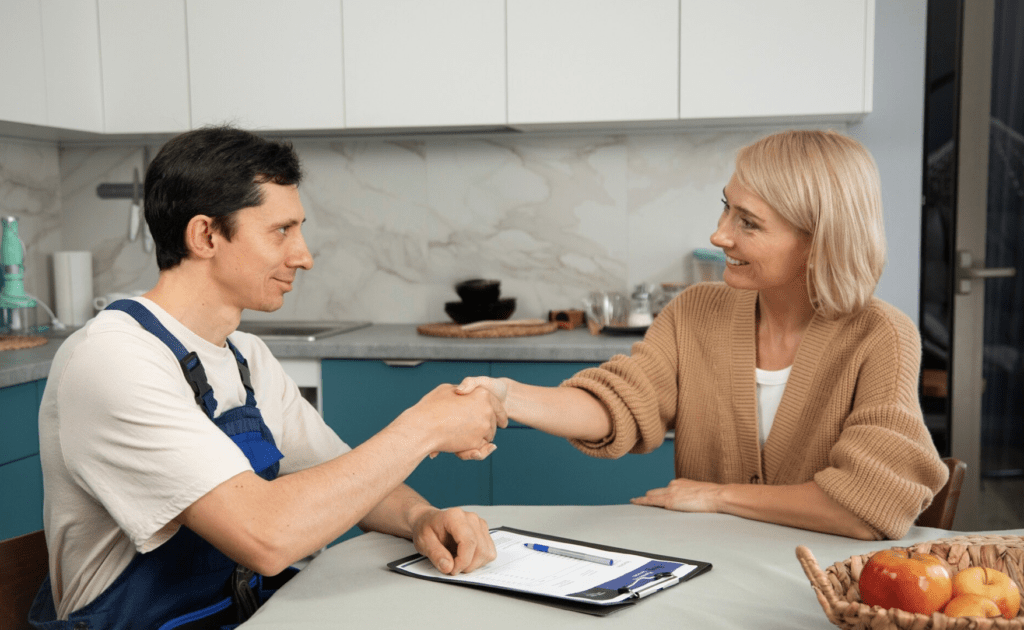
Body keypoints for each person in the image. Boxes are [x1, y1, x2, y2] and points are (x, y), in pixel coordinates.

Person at [31, 126, 506, 630]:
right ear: (206, 235)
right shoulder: (113, 361)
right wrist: (423, 428)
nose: (304, 256)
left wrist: (421, 519)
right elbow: (266, 535)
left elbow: (344, 476)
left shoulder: (245, 356)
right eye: (281, 231)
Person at [457, 129, 948, 541]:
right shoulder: (695, 312)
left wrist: (717, 495)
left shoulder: (880, 336)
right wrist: (507, 396)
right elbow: (622, 402)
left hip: (821, 584)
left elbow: (866, 511)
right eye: (726, 208)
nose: (719, 235)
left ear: (820, 241)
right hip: (711, 563)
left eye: (748, 223)